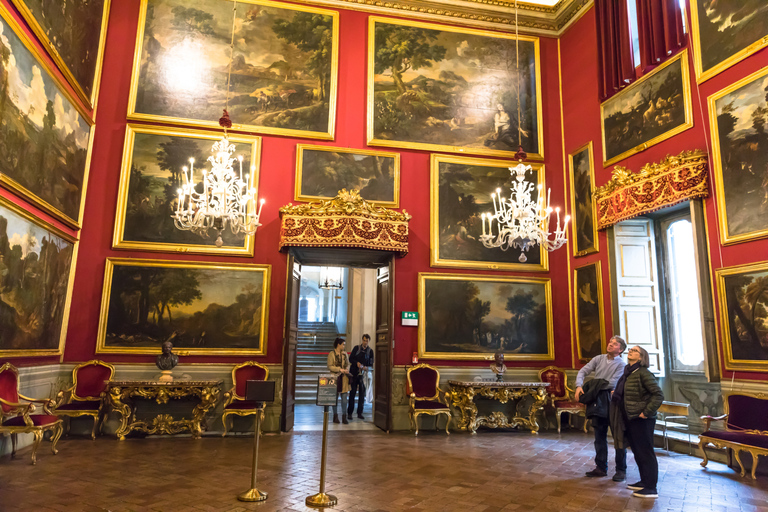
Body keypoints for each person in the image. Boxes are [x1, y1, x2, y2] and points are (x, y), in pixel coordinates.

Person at [612, 346, 664, 499]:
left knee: (646, 452)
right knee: (637, 451)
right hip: (630, 416)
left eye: (635, 351)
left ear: (641, 358)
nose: (631, 352)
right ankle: (644, 481)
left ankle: (651, 487)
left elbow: (658, 395)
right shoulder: (629, 372)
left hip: (642, 419)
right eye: (631, 350)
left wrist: (646, 412)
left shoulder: (643, 373)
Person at [574, 335, 628, 481]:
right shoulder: (598, 358)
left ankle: (621, 470)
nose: (610, 344)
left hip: (612, 401)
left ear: (620, 349)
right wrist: (579, 386)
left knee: (618, 437)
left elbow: (611, 383)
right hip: (598, 400)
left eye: (615, 344)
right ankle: (600, 468)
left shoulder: (621, 364)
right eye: (610, 342)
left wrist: (592, 386)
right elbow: (583, 371)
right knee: (599, 436)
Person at [348, 334, 374, 420]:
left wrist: (366, 367)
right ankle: (350, 413)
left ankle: (360, 412)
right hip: (354, 373)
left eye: (367, 341)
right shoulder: (356, 348)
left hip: (363, 375)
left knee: (362, 395)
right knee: (352, 393)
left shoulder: (370, 351)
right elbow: (350, 359)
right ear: (362, 340)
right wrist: (357, 363)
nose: (365, 342)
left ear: (369, 341)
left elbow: (371, 363)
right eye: (364, 340)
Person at [327, 337, 351, 424]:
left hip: (344, 378)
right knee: (335, 398)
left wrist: (347, 369)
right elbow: (330, 366)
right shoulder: (331, 354)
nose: (344, 346)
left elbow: (348, 364)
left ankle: (344, 416)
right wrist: (340, 369)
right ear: (338, 344)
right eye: (343, 344)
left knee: (344, 399)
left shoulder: (345, 354)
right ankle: (335, 416)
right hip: (335, 378)